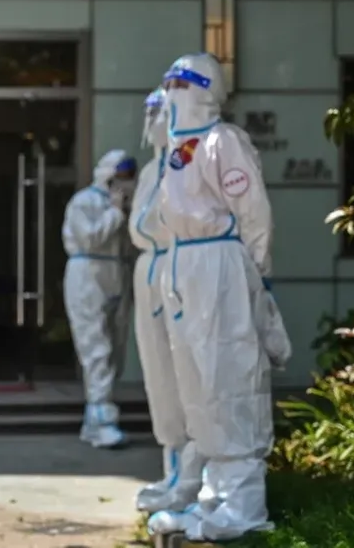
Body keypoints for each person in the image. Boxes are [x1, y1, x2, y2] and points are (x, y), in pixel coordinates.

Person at [147, 53, 291, 542]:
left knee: (228, 375)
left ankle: (243, 503)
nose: (170, 92)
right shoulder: (176, 147)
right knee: (196, 384)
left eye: (178, 82)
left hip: (219, 265)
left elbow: (253, 212)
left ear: (202, 89)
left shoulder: (221, 141)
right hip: (183, 263)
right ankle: (213, 497)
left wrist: (256, 272)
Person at [130, 89, 205, 513]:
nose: (152, 120)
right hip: (150, 268)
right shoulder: (149, 170)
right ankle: (172, 467)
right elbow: (139, 226)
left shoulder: (187, 159)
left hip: (174, 266)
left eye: (159, 111)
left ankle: (193, 472)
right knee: (158, 372)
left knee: (184, 373)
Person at [61, 149, 137, 448]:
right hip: (87, 273)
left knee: (115, 350)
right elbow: (90, 237)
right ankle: (103, 419)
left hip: (116, 274)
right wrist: (115, 213)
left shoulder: (122, 206)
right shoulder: (85, 202)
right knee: (96, 348)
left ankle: (96, 416)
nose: (126, 183)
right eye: (121, 176)